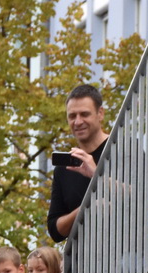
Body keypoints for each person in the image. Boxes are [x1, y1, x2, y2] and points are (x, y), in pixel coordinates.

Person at [47, 83, 109, 243]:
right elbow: (54, 230)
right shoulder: (64, 167)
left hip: (125, 253)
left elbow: (136, 194)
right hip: (81, 257)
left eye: (84, 114)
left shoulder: (124, 149)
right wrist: (83, 209)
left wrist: (96, 175)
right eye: (72, 116)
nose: (78, 121)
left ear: (100, 113)